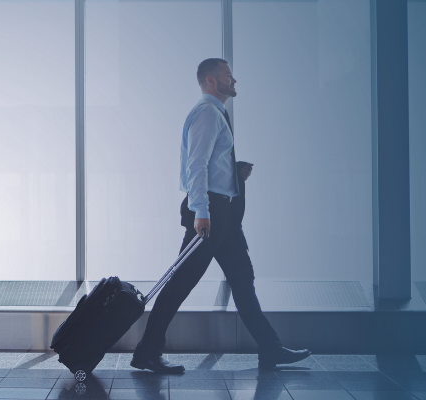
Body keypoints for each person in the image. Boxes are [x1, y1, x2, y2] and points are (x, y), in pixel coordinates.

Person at [130, 59, 311, 373]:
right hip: (210, 214)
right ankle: (146, 351)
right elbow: (196, 166)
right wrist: (201, 211)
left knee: (243, 281)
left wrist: (234, 173)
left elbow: (211, 165)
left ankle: (270, 349)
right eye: (229, 75)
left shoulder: (216, 115)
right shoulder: (207, 114)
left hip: (223, 214)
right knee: (181, 283)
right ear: (212, 80)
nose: (234, 80)